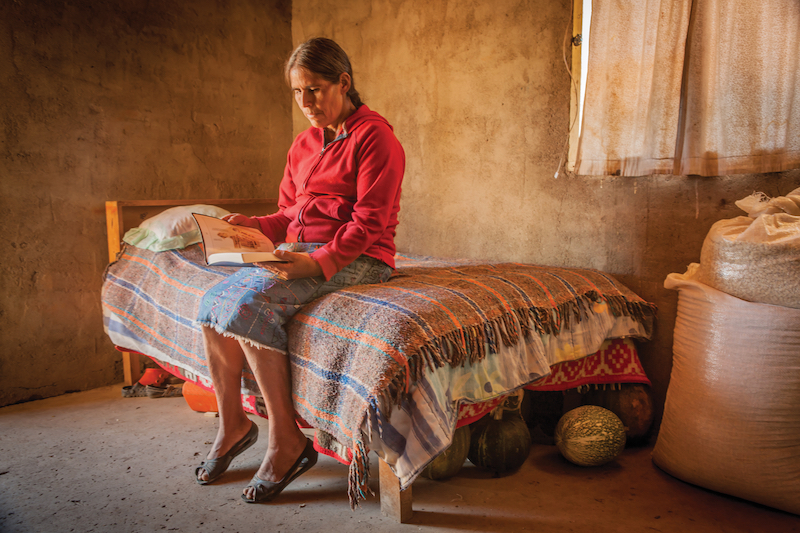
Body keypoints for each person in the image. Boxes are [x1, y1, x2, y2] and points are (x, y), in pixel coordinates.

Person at [193, 37, 405, 504]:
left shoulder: (376, 138)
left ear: (343, 83)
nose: (305, 102)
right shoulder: (304, 143)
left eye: (314, 90)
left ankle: (287, 440)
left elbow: (368, 224)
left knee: (249, 305)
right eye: (296, 92)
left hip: (360, 258)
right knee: (211, 303)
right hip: (300, 248)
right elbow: (288, 214)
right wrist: (252, 226)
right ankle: (234, 426)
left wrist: (317, 261)